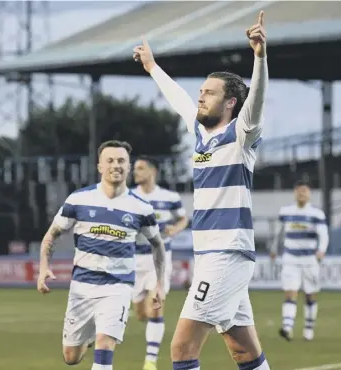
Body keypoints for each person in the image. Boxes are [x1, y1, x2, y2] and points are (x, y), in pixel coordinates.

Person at [133, 10, 270, 370]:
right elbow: (177, 97)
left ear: (230, 104)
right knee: (243, 351)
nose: (200, 98)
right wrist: (152, 67)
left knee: (181, 348)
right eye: (201, 92)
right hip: (209, 255)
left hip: (228, 254)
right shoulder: (200, 134)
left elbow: (256, 103)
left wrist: (260, 58)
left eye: (209, 93)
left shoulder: (241, 137)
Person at [36, 140, 166, 370]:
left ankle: (101, 334)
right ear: (100, 167)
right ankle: (86, 338)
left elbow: (158, 245)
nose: (116, 165)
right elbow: (51, 235)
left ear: (128, 167)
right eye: (110, 161)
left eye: (121, 161)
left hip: (118, 286)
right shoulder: (78, 199)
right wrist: (44, 267)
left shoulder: (141, 208)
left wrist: (159, 283)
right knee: (71, 357)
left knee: (105, 344)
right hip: (82, 287)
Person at [131, 155, 189, 370]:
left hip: (160, 259)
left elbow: (183, 218)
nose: (135, 172)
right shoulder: (129, 197)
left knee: (156, 307)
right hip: (135, 260)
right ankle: (144, 314)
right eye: (135, 168)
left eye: (140, 168)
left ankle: (150, 361)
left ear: (153, 171)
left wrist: (176, 228)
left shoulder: (170, 197)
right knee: (141, 313)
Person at [270, 180, 329, 341]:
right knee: (290, 293)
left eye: (305, 191)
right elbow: (278, 232)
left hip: (310, 260)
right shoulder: (286, 212)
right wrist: (274, 249)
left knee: (310, 295)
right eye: (299, 191)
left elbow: (323, 235)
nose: (302, 194)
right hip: (290, 259)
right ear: (295, 193)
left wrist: (321, 250)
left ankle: (309, 328)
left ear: (309, 194)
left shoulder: (316, 214)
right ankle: (287, 328)